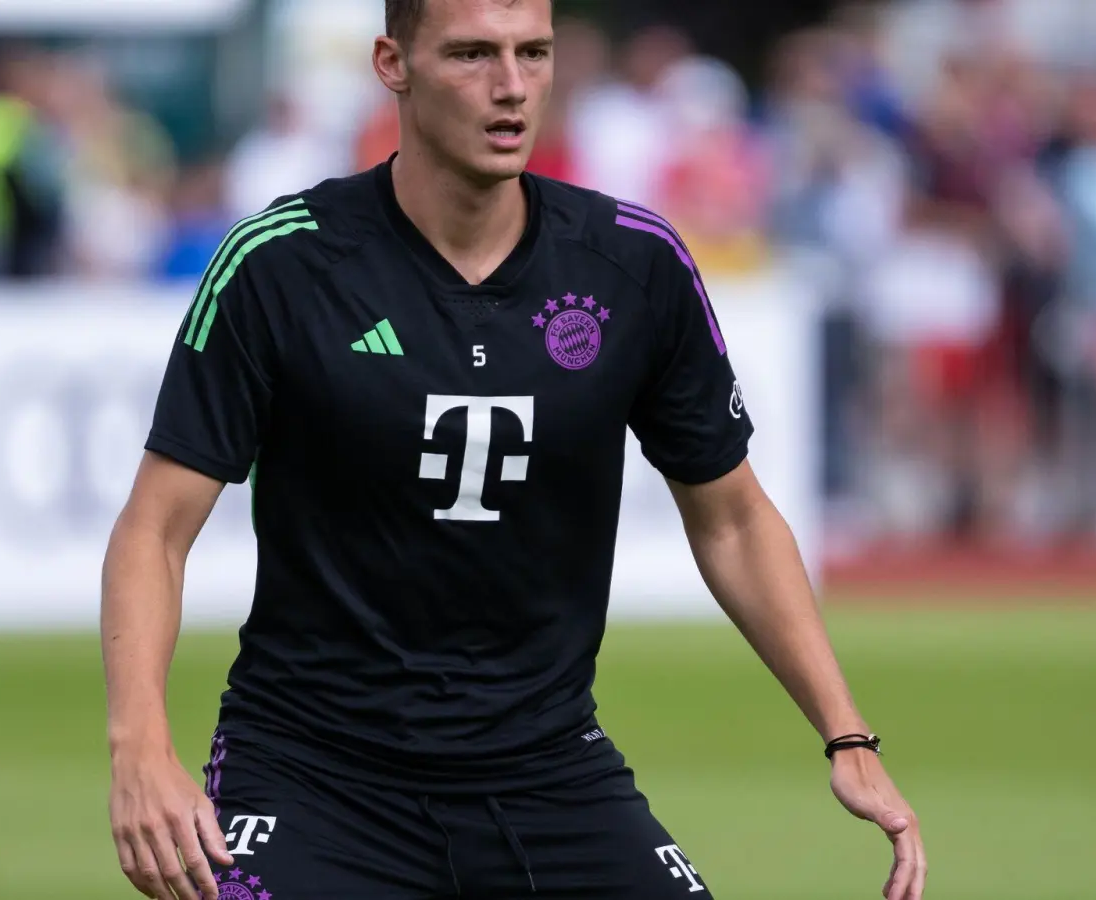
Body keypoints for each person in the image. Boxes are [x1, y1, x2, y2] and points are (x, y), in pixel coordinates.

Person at [100, 2, 927, 899]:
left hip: (549, 772)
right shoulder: (283, 263)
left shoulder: (633, 265)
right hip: (313, 774)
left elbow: (731, 518)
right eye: (471, 55)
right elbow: (155, 531)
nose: (511, 87)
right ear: (393, 63)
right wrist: (140, 746)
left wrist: (846, 735)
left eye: (533, 53)